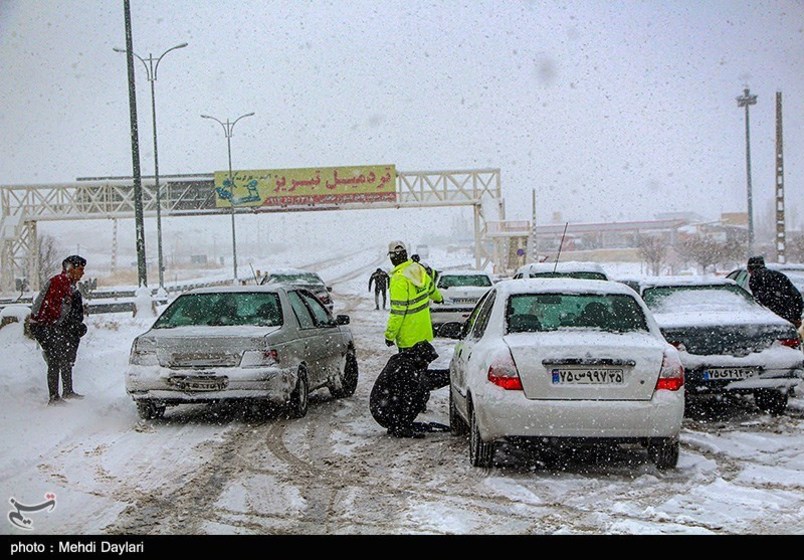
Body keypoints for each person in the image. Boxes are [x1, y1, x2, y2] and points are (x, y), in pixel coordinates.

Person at [370, 241, 446, 438]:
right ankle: (418, 403)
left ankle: (404, 415)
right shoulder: (418, 269)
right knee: (420, 374)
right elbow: (432, 290)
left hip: (408, 338)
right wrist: (438, 298)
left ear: (393, 258)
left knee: (405, 381)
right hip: (424, 334)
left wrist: (389, 335)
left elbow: (398, 311)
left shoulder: (398, 279)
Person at [29, 255, 88, 405]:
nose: (83, 273)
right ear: (71, 268)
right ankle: (54, 397)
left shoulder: (70, 285)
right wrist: (66, 325)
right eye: (80, 269)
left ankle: (67, 390)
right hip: (43, 325)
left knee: (64, 354)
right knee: (55, 357)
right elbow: (53, 310)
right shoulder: (59, 282)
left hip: (51, 325)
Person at [747, 256, 803, 328]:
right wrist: (796, 316)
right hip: (789, 315)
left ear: (749, 269)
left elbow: (760, 302)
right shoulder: (779, 275)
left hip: (773, 319)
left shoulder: (754, 279)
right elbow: (796, 296)